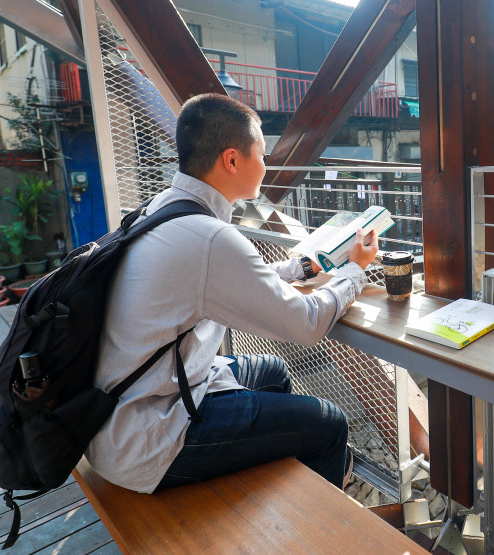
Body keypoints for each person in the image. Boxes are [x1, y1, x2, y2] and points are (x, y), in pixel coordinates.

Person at [85, 93, 378, 494]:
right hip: (151, 438)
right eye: (261, 152)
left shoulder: (161, 209)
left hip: (118, 414)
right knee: (329, 423)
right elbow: (307, 323)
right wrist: (355, 270)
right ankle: (315, 533)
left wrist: (298, 268)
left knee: (273, 372)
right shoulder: (210, 237)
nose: (267, 163)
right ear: (233, 160)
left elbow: (220, 279)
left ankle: (285, 498)